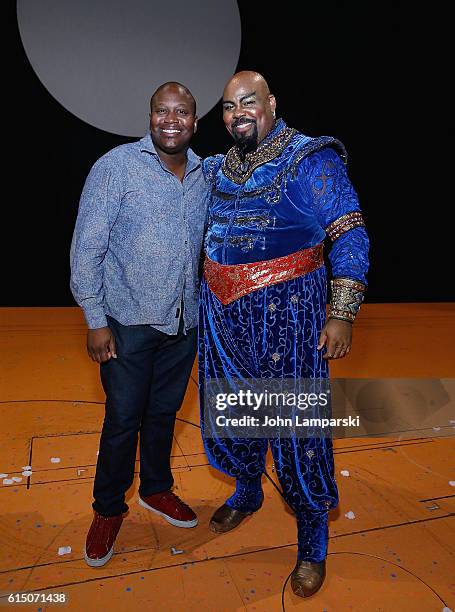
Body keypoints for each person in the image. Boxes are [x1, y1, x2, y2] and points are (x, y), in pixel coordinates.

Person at [199, 71, 369, 597]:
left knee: (298, 433)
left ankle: (313, 544)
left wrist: (341, 312)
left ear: (272, 103)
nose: (237, 114)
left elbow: (349, 232)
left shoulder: (309, 157)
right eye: (228, 107)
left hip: (289, 316)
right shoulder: (217, 168)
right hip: (221, 316)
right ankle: (249, 491)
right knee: (235, 412)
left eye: (248, 102)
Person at [70, 82, 208, 568]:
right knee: (123, 419)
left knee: (163, 415)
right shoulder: (116, 167)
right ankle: (108, 509)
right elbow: (86, 249)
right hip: (125, 322)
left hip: (182, 323)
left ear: (195, 120)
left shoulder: (204, 176)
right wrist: (94, 318)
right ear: (149, 117)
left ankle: (156, 489)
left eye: (182, 112)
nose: (171, 120)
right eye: (161, 111)